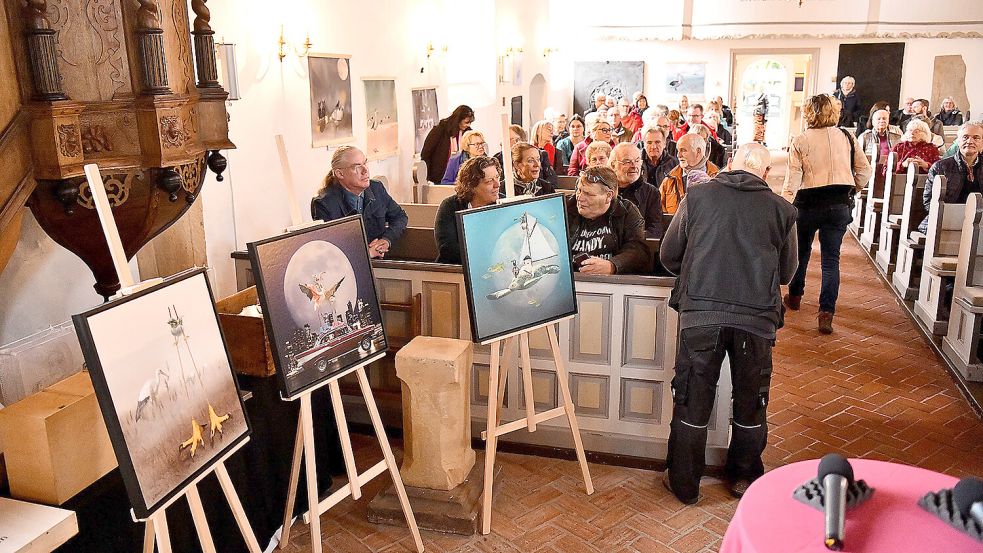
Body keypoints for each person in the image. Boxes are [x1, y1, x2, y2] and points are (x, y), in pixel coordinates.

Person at [659, 143, 798, 504]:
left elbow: (669, 254)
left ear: (731, 163)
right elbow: (787, 272)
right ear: (766, 173)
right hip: (756, 320)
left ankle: (685, 484)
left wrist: (697, 269)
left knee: (692, 396)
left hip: (701, 314)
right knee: (751, 399)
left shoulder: (698, 197)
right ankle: (742, 478)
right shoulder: (783, 210)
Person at [782, 94, 872, 334]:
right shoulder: (846, 136)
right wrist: (853, 188)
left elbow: (793, 179)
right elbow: (864, 170)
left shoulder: (800, 139)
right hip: (838, 203)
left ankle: (795, 296)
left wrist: (783, 207)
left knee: (801, 253)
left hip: (808, 204)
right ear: (834, 112)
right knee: (831, 260)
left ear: (809, 112)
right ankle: (826, 313)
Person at [312, 146, 407, 259]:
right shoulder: (323, 203)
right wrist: (368, 253)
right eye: (357, 167)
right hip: (349, 269)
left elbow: (400, 217)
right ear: (340, 174)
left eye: (365, 163)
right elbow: (331, 249)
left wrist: (386, 240)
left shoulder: (376, 188)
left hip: (380, 265)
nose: (365, 171)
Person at [567, 166, 648, 275]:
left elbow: (638, 250)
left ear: (608, 196)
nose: (579, 198)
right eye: (579, 190)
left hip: (611, 282)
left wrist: (613, 266)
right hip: (571, 277)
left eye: (588, 194)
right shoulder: (565, 207)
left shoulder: (626, 211)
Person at [434, 156, 501, 264]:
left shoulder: (502, 204)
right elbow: (447, 249)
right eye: (489, 181)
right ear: (472, 186)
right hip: (455, 270)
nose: (497, 185)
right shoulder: (450, 206)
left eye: (497, 177)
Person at [918, 122, 983, 233]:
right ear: (958, 141)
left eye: (976, 138)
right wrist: (954, 217)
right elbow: (929, 202)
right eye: (965, 137)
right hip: (945, 222)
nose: (970, 141)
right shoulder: (940, 167)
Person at [610, 142, 664, 239]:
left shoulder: (651, 193)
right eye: (627, 161)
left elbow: (655, 230)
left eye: (637, 161)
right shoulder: (603, 189)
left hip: (636, 246)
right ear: (613, 165)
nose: (634, 166)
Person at [660, 133, 720, 215]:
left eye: (683, 150)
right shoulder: (669, 180)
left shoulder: (718, 179)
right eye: (678, 150)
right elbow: (659, 212)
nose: (678, 155)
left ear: (698, 152)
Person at [421, 105, 475, 183]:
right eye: (466, 122)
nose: (468, 125)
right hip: (439, 176)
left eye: (470, 122)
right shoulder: (440, 130)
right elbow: (426, 154)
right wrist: (427, 177)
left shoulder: (468, 132)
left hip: (460, 177)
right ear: (458, 120)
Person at [858, 109, 902, 184]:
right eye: (879, 119)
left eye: (884, 118)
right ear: (873, 121)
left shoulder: (897, 137)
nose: (882, 121)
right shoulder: (864, 137)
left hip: (891, 170)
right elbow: (859, 158)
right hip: (871, 170)